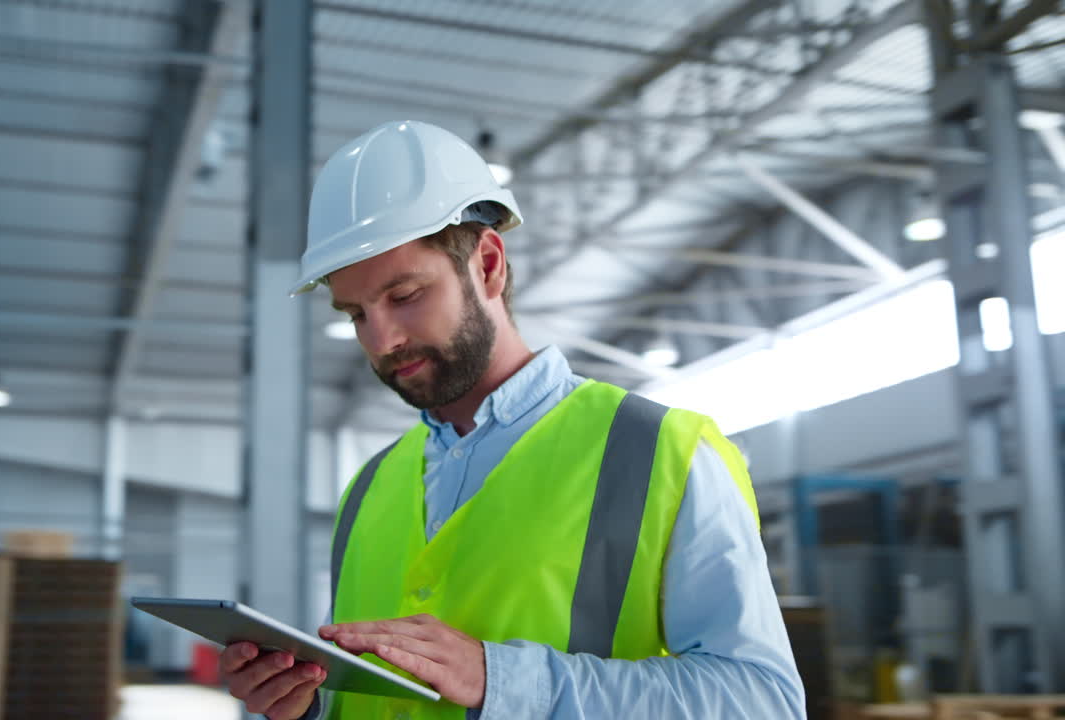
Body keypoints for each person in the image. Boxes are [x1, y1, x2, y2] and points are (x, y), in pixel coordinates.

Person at [219, 120, 806, 719]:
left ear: (490, 266)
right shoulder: (369, 489)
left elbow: (763, 702)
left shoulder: (662, 454)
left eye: (405, 296)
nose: (383, 338)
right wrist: (309, 708)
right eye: (356, 313)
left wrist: (505, 680)